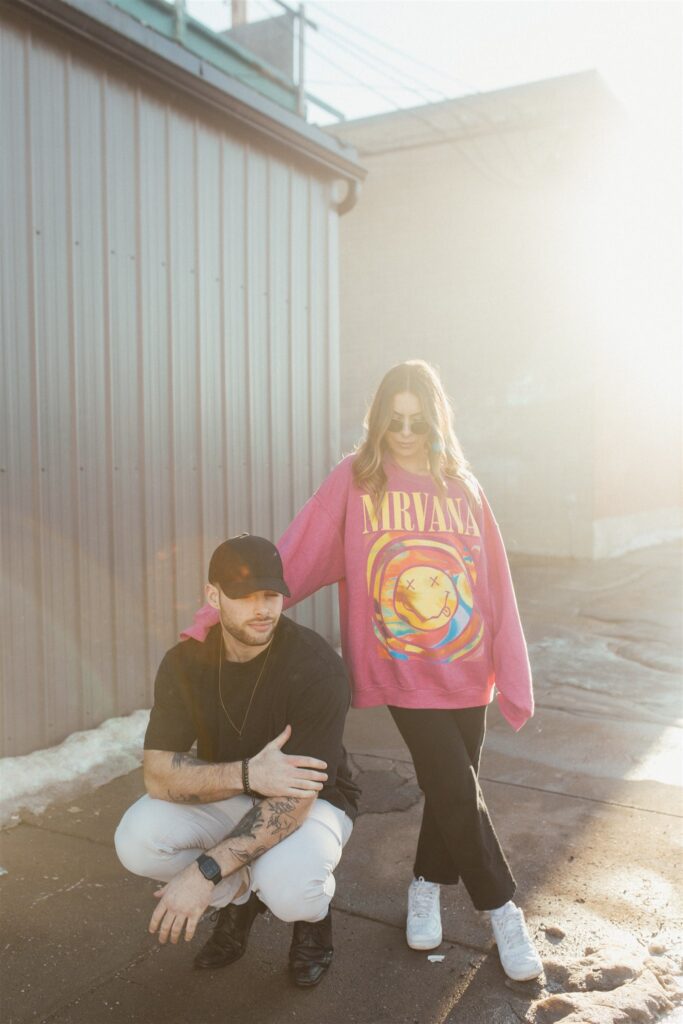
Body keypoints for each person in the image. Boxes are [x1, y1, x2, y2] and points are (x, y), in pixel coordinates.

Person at [183, 360, 543, 983]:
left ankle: (425, 887)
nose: (405, 431)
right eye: (393, 420)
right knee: (455, 785)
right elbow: (295, 553)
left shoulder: (462, 485)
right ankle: (502, 910)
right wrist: (214, 615)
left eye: (417, 420)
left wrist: (510, 670)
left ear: (435, 421)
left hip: (466, 665)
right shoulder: (355, 480)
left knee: (456, 786)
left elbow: (495, 586)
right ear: (378, 420)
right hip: (405, 667)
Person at [115, 534, 359, 988]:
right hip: (230, 790)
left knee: (292, 889)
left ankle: (313, 920)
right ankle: (241, 901)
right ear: (213, 596)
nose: (262, 609)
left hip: (312, 802)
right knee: (136, 840)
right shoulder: (185, 663)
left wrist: (203, 871)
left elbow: (295, 801)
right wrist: (248, 774)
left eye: (270, 595)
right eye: (244, 597)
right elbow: (157, 775)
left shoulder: (316, 667)